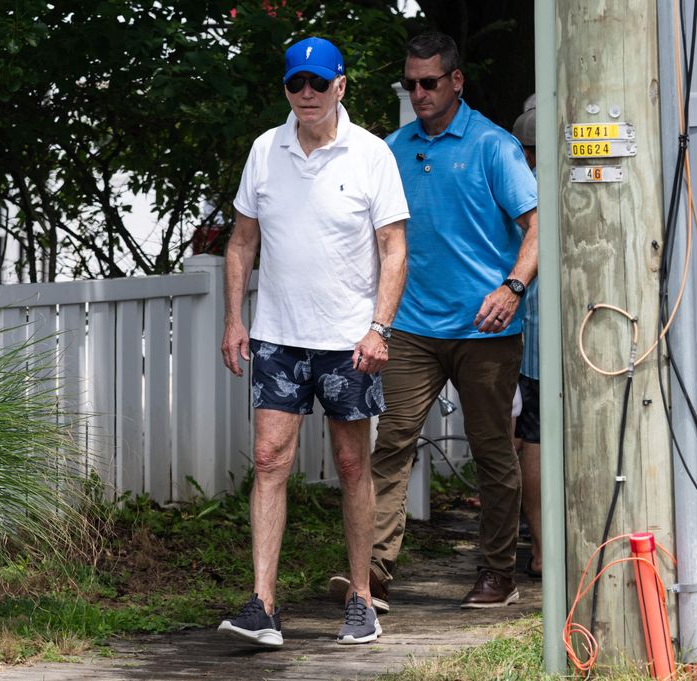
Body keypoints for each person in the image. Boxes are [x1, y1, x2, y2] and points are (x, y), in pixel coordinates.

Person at [333, 31, 538, 611]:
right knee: (390, 446)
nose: (419, 92)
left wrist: (513, 287)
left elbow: (539, 226)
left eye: (429, 82)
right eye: (410, 83)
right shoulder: (391, 150)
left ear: (456, 81)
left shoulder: (494, 146)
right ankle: (370, 574)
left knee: (492, 450)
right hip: (412, 328)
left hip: (486, 330)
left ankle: (498, 570)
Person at [218, 36, 409, 647]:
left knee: (353, 464)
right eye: (295, 84)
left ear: (340, 87)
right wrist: (233, 319)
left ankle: (360, 599)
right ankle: (263, 604)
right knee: (271, 461)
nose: (306, 94)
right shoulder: (264, 151)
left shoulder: (372, 155)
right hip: (277, 336)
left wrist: (379, 328)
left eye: (318, 84)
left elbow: (394, 249)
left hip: (349, 339)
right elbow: (242, 240)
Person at [510, 100, 542, 579]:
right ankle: (543, 547)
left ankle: (539, 546)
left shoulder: (516, 185)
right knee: (532, 437)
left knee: (528, 437)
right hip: (570, 331)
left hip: (523, 331)